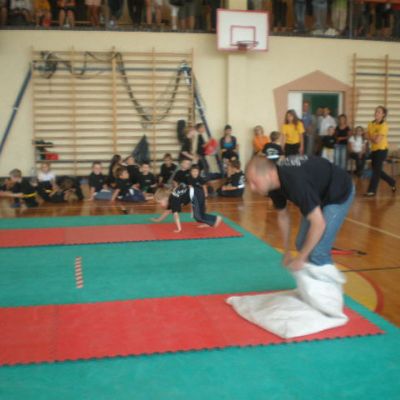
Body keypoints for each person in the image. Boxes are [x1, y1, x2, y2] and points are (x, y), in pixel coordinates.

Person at [245, 155, 355, 270]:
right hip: (317, 192)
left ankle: (329, 280)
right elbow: (283, 216)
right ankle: (312, 277)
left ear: (269, 175)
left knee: (318, 252)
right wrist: (287, 251)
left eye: (254, 182)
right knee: (302, 244)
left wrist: (301, 258)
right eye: (249, 182)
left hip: (339, 190)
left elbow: (319, 224)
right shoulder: (273, 185)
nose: (251, 188)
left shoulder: (295, 182)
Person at [152, 184, 222, 233]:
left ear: (165, 198)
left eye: (160, 202)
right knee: (198, 215)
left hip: (196, 194)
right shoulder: (171, 198)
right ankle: (209, 223)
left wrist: (179, 229)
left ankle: (216, 219)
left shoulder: (173, 200)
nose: (160, 205)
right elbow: (167, 211)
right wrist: (159, 220)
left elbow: (176, 215)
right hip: (197, 192)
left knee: (197, 216)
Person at [365, 106, 396, 196]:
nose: (376, 113)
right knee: (377, 170)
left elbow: (377, 140)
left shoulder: (384, 125)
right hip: (374, 150)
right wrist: (373, 137)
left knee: (376, 171)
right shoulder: (370, 124)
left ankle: (372, 191)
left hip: (382, 150)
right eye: (376, 111)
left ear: (383, 114)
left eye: (378, 112)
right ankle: (392, 181)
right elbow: (366, 136)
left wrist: (371, 137)